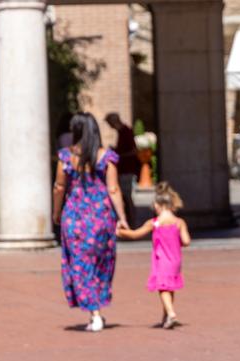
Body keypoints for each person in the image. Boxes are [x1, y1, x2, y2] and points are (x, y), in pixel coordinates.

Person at [52, 112, 129, 332]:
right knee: (101, 263)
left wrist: (56, 213)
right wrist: (122, 218)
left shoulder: (67, 157)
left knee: (80, 263)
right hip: (101, 216)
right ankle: (96, 308)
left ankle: (94, 311)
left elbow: (59, 187)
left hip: (75, 216)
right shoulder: (106, 157)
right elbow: (113, 189)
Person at [117, 182, 191, 329]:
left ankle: (170, 313)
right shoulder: (179, 222)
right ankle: (165, 316)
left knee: (162, 288)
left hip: (162, 260)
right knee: (170, 287)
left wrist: (120, 232)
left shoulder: (155, 223)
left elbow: (135, 234)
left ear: (158, 205)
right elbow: (186, 241)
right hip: (176, 260)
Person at [105, 113, 140, 228]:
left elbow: (133, 151)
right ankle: (126, 221)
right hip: (122, 169)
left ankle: (130, 222)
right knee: (124, 196)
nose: (110, 127)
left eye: (110, 123)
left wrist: (118, 154)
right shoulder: (121, 132)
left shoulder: (126, 132)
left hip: (127, 169)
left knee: (127, 196)